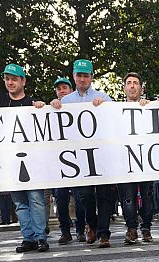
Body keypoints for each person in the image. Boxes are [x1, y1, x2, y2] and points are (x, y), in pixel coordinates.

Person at [0, 63, 48, 253]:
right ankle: (28, 238)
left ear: (23, 81)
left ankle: (41, 237)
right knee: (20, 203)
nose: (10, 82)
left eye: (14, 79)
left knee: (35, 199)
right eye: (7, 79)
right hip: (10, 162)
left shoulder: (32, 103)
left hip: (32, 162)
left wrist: (40, 107)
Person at [51, 59, 115, 248]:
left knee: (104, 196)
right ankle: (92, 225)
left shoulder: (104, 97)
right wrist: (53, 105)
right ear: (74, 76)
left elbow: (114, 119)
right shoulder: (65, 101)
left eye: (86, 75)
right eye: (79, 75)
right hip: (78, 159)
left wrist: (104, 105)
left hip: (101, 155)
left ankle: (104, 233)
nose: (82, 79)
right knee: (84, 196)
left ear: (92, 77)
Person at [118, 72, 155, 244]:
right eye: (129, 83)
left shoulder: (149, 107)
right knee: (128, 197)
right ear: (124, 88)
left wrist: (152, 106)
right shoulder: (114, 110)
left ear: (141, 87)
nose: (132, 86)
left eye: (135, 83)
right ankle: (131, 228)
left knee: (147, 195)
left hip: (146, 160)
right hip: (125, 161)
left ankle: (146, 227)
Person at [49, 76, 86, 244]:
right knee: (60, 197)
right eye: (59, 89)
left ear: (71, 90)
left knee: (79, 198)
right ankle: (65, 231)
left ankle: (80, 230)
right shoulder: (51, 109)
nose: (62, 91)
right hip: (59, 161)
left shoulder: (79, 107)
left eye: (65, 87)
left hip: (78, 158)